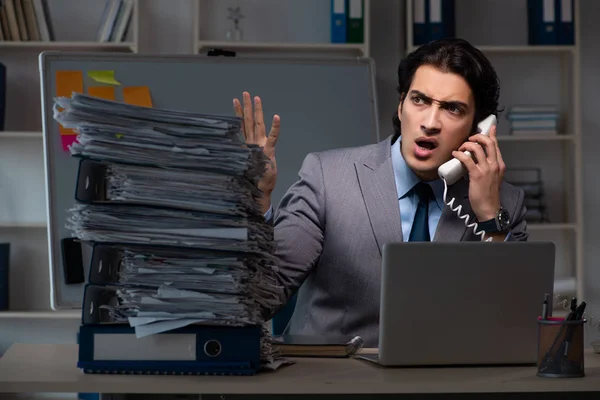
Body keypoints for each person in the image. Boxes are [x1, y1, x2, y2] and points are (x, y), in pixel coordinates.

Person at [233, 38, 528, 347]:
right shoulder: (327, 177)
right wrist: (257, 202)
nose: (430, 123)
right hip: (337, 384)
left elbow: (517, 321)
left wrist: (490, 218)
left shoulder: (505, 204)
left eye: (452, 109)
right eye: (419, 100)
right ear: (401, 106)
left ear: (478, 129)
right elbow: (259, 300)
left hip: (445, 385)